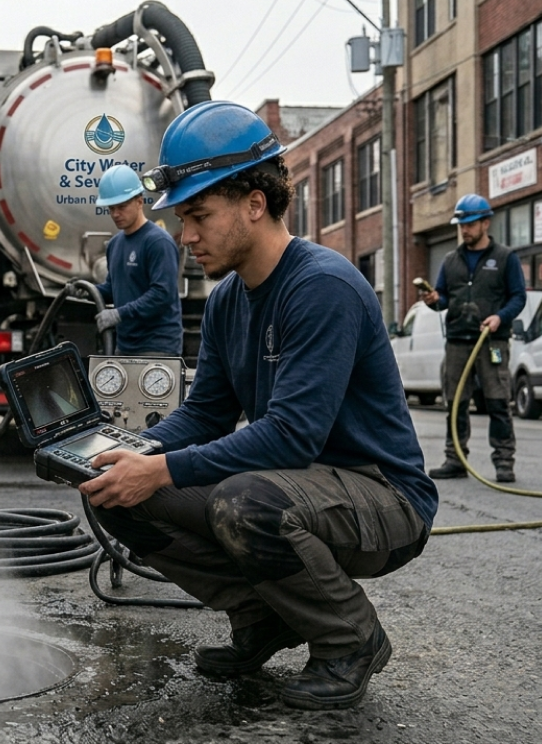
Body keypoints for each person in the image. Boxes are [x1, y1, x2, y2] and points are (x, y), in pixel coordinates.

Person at [78, 101, 437, 710]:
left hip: (381, 495)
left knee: (241, 503)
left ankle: (351, 639)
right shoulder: (226, 301)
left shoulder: (321, 286)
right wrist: (132, 453)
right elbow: (205, 416)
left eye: (198, 216)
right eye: (182, 220)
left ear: (254, 202)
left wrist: (159, 469)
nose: (186, 237)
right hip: (299, 487)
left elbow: (292, 435)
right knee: (117, 494)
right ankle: (263, 618)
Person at [421, 194, 526, 483]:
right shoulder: (451, 260)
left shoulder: (506, 258)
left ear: (485, 223)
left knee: (497, 401)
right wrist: (433, 299)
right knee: (455, 402)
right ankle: (455, 459)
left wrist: (500, 317)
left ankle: (504, 462)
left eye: (469, 224)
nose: (464, 230)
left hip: (492, 342)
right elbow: (442, 298)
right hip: (457, 341)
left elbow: (518, 296)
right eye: (461, 225)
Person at [92, 164, 184, 356]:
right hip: (125, 347)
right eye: (111, 208)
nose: (116, 214)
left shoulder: (158, 242)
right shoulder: (115, 244)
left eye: (122, 207)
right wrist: (86, 290)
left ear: (139, 201)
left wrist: (120, 314)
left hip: (157, 347)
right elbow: (114, 288)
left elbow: (162, 294)